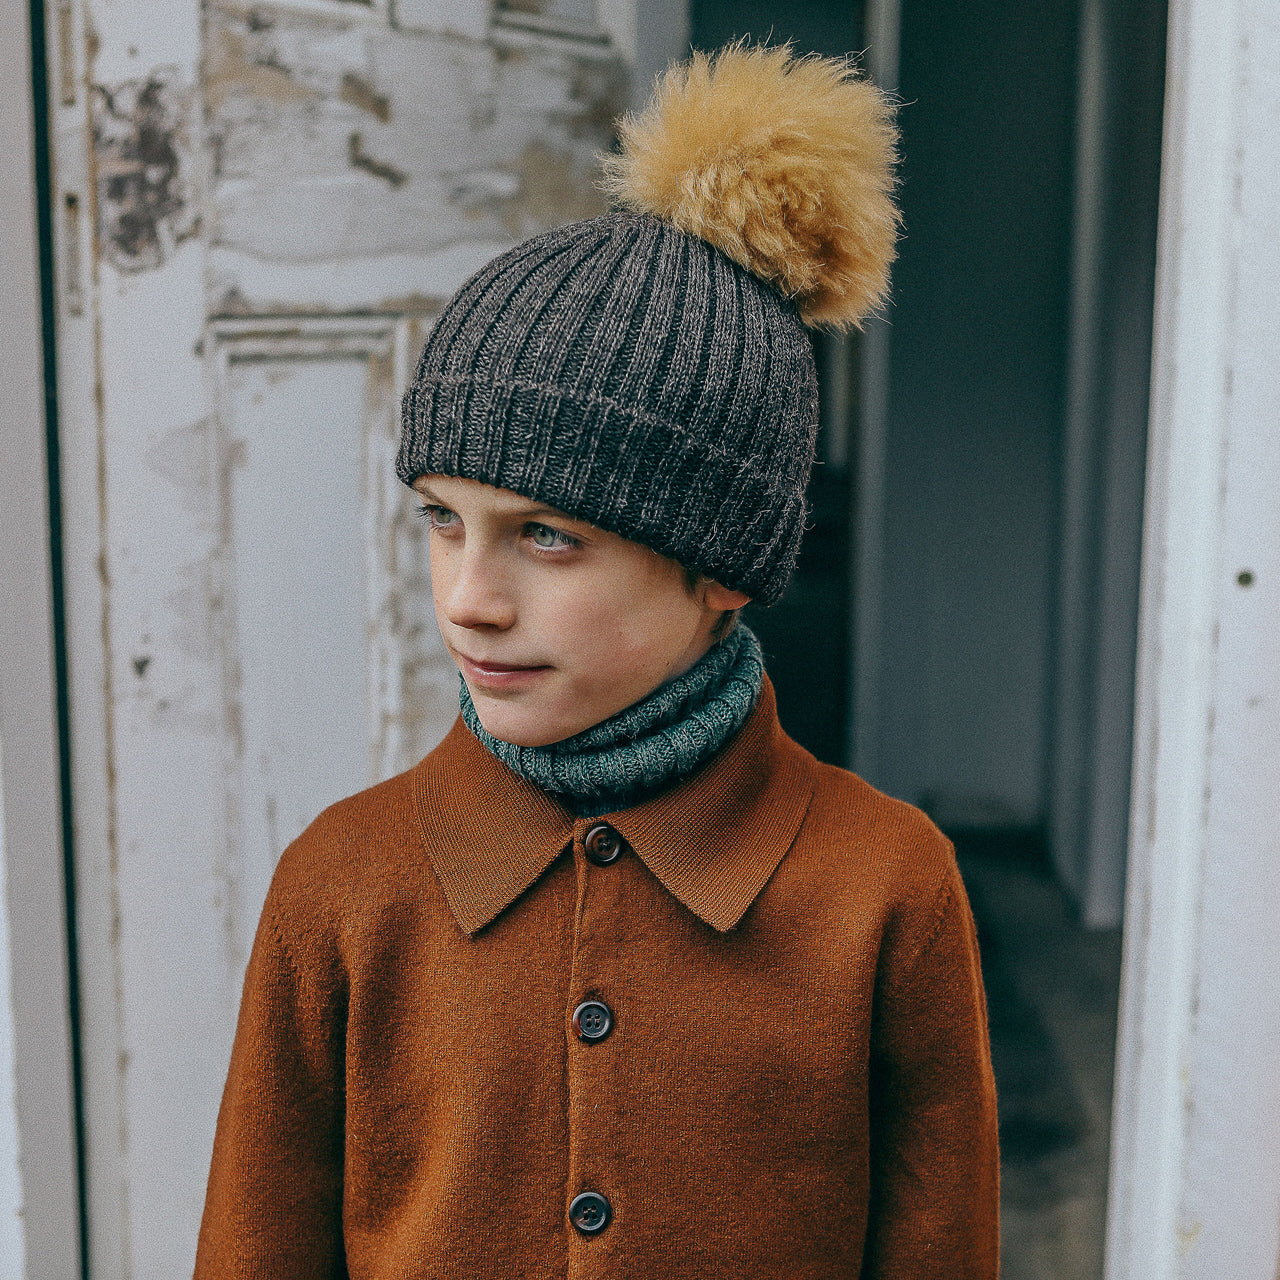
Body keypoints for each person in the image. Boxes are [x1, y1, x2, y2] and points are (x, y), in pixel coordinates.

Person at [195, 42, 999, 1278]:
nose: (469, 600)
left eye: (547, 537)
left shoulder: (885, 889)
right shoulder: (343, 889)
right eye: (442, 520)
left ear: (718, 563)